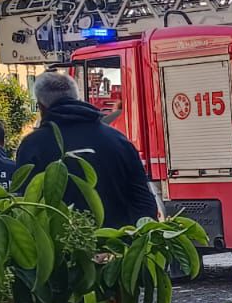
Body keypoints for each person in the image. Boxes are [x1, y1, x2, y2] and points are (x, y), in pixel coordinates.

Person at [15, 71, 158, 227]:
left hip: (59, 246)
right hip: (118, 245)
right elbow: (143, 200)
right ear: (77, 98)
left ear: (41, 106)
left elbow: (26, 205)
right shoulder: (118, 140)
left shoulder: (32, 145)